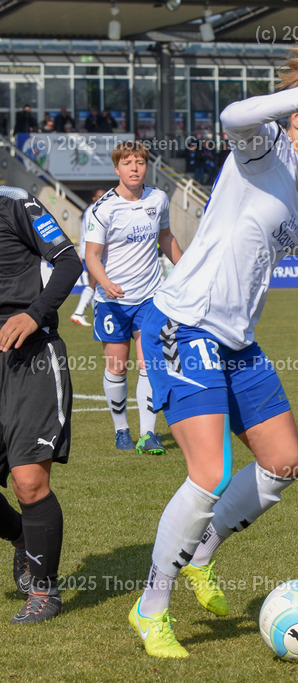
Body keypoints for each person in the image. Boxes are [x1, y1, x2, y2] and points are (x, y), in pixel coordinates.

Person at [127, 36, 298, 659]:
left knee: (283, 463)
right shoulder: (265, 147)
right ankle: (152, 605)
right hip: (185, 325)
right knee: (210, 471)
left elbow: (289, 233)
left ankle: (201, 553)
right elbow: (231, 116)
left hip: (237, 341)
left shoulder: (297, 175)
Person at [0, 187, 81, 624]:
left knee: (28, 481)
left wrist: (34, 314)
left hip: (28, 356)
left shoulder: (16, 203)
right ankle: (19, 538)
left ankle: (44, 590)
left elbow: (69, 261)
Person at [84, 142, 181, 455]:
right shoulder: (102, 209)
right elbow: (92, 256)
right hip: (113, 301)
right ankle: (121, 430)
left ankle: (147, 435)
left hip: (150, 296)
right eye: (128, 163)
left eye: (140, 162)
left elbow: (165, 237)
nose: (135, 168)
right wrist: (106, 283)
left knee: (149, 363)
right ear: (117, 169)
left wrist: (186, 268)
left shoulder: (158, 198)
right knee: (117, 367)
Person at [69, 188, 106, 326]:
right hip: (92, 252)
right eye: (99, 196)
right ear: (94, 198)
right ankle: (78, 313)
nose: (102, 199)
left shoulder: (90, 210)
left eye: (104, 196)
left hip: (88, 251)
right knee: (94, 282)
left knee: (95, 284)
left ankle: (96, 317)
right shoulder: (94, 210)